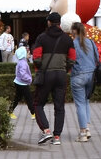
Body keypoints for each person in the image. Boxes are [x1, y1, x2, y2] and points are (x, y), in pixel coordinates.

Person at [30, 11, 76, 145]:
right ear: (60, 23)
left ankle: (46, 130)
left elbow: (36, 57)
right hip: (61, 75)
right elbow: (72, 59)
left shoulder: (41, 38)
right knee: (59, 106)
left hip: (46, 75)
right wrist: (65, 69)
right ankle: (57, 137)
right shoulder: (67, 39)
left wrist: (40, 67)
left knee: (38, 104)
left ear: (49, 22)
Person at [69, 22, 98, 142]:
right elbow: (97, 58)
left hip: (78, 76)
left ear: (73, 31)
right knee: (86, 102)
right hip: (91, 75)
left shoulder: (73, 44)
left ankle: (82, 133)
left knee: (80, 104)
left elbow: (70, 60)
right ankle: (87, 128)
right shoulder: (91, 42)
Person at [9, 45, 33, 119]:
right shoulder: (23, 63)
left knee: (17, 98)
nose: (29, 54)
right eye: (27, 53)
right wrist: (29, 79)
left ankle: (10, 111)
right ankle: (34, 113)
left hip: (19, 82)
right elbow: (23, 74)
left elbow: (18, 73)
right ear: (23, 54)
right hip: (23, 83)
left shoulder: (21, 62)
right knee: (29, 98)